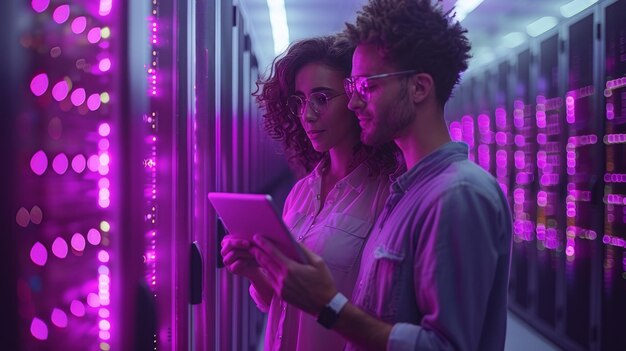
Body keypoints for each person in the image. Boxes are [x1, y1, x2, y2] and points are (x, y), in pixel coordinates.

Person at [250, 1, 513, 350]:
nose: (354, 102)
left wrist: (329, 305)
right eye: (353, 88)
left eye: (366, 87)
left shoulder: (459, 194)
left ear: (419, 88)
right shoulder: (404, 193)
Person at [220, 34, 402, 351]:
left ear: (356, 98)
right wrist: (254, 272)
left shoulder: (386, 194)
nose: (307, 115)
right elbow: (280, 302)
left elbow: (387, 315)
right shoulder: (301, 192)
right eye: (300, 101)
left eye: (321, 98)